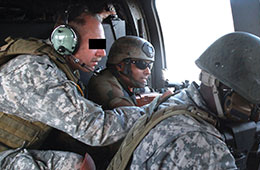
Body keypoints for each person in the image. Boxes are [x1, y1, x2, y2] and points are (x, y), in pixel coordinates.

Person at [106, 32, 260, 170]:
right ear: (227, 90)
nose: (257, 114)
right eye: (253, 103)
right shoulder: (203, 146)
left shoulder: (173, 103)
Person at [0, 5, 149, 170]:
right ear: (67, 41)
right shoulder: (36, 72)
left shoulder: (59, 64)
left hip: (13, 148)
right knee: (79, 165)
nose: (102, 53)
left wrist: (96, 20)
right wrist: (149, 111)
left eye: (102, 43)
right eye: (95, 44)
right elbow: (95, 130)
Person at [88, 35, 155, 109]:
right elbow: (130, 114)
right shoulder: (104, 84)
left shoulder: (130, 82)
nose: (148, 71)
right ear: (120, 65)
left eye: (150, 65)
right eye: (141, 64)